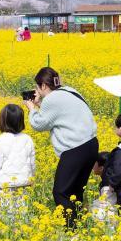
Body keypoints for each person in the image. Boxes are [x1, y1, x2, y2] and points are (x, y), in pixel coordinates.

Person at [24, 67, 98, 227]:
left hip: (76, 149)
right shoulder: (70, 90)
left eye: (37, 88)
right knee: (76, 191)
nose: (37, 91)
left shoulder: (52, 100)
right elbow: (59, 111)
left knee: (61, 192)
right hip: (91, 145)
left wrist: (32, 109)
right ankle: (78, 227)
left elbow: (39, 124)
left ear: (43, 86)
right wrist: (41, 104)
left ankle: (70, 230)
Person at [0, 104, 36, 224]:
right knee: (23, 215)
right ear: (21, 121)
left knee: (7, 216)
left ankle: (10, 238)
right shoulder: (27, 139)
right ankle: (24, 237)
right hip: (24, 184)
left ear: (3, 121)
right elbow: (32, 162)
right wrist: (32, 177)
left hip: (7, 185)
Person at [90, 152, 118, 222]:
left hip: (109, 219)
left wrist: (89, 206)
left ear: (101, 168)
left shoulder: (107, 183)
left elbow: (106, 204)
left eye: (94, 164)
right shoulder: (109, 178)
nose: (92, 166)